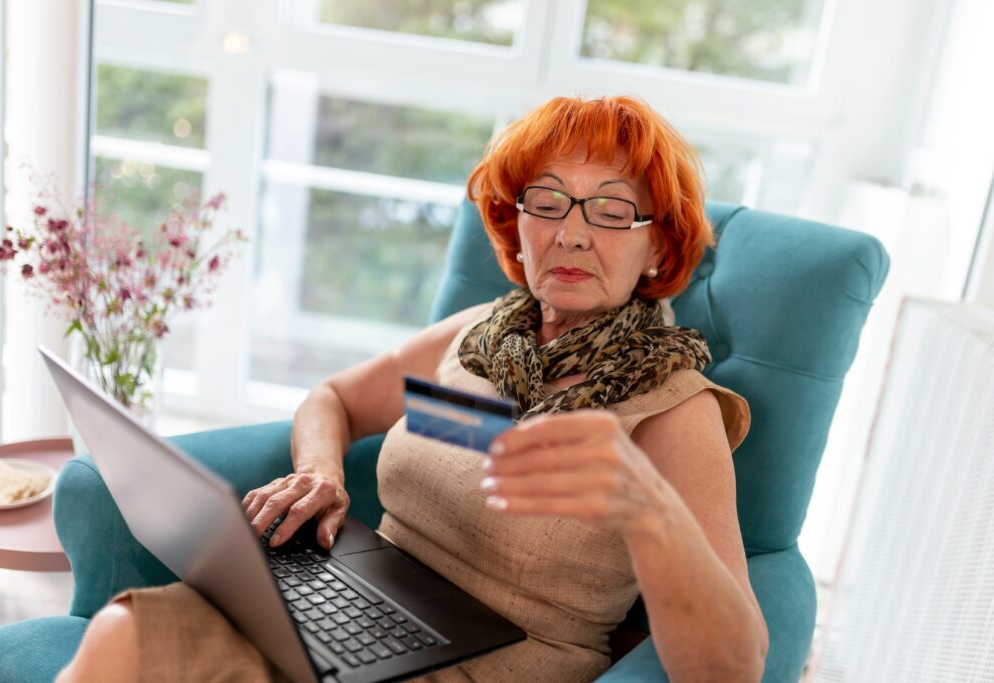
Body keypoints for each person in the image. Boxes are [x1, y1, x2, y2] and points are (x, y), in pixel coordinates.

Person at [56, 95, 768, 683]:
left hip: (489, 667)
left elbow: (736, 665)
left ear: (658, 247)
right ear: (514, 223)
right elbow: (334, 398)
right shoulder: (481, 337)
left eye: (611, 211)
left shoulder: (672, 408)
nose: (571, 234)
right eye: (547, 201)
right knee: (124, 631)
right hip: (352, 613)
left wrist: (648, 509)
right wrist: (320, 471)